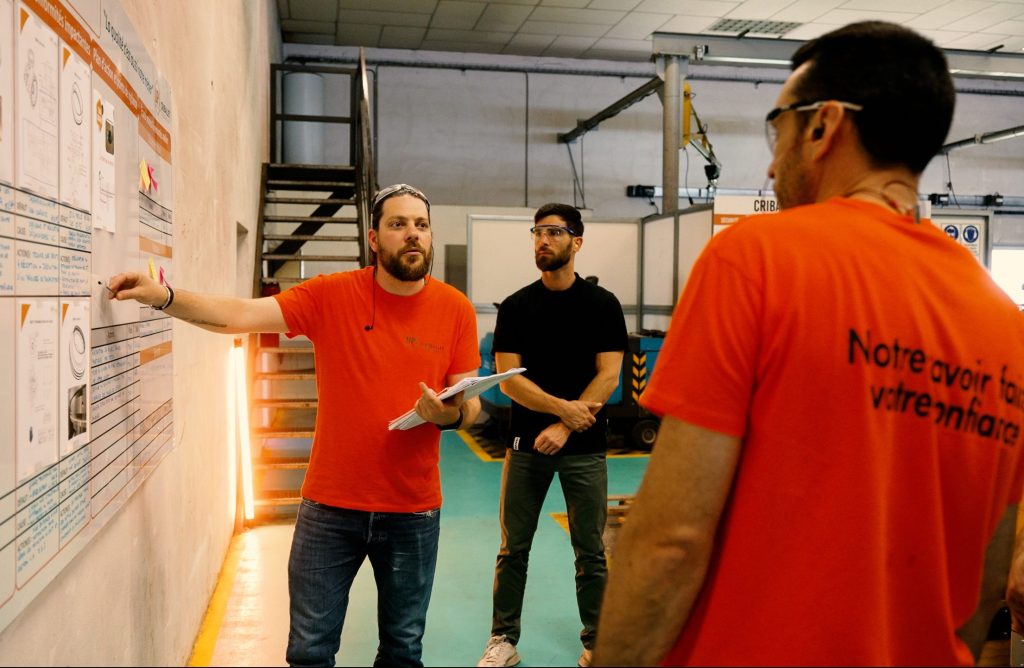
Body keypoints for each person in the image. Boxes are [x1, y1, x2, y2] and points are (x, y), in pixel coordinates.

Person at [594, 21, 1024, 667]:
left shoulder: (756, 259)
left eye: (778, 129)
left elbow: (671, 542)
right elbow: (985, 587)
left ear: (824, 125)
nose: (771, 162)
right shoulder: (1006, 327)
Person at [107, 184, 481, 668]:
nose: (412, 234)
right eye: (398, 224)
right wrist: (164, 296)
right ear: (373, 237)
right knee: (308, 651)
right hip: (330, 508)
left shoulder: (455, 308)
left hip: (413, 510)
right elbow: (240, 315)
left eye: (421, 225)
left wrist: (448, 414)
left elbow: (469, 403)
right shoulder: (332, 294)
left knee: (403, 650)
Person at [476, 204, 627, 668]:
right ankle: (503, 639)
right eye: (537, 231)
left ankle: (598, 641)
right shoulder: (517, 307)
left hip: (583, 448)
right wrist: (562, 410)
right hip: (524, 448)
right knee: (513, 548)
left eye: (554, 232)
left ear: (577, 242)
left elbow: (609, 375)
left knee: (590, 551)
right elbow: (509, 379)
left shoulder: (603, 306)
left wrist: (564, 425)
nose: (543, 240)